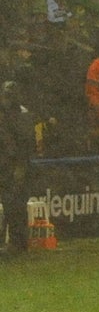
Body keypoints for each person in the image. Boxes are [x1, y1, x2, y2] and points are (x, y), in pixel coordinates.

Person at [0, 79, 34, 253]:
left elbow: (21, 143)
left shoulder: (17, 115)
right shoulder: (21, 113)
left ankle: (17, 242)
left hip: (13, 164)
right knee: (14, 204)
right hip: (13, 164)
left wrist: (19, 165)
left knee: (14, 204)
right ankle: (18, 242)